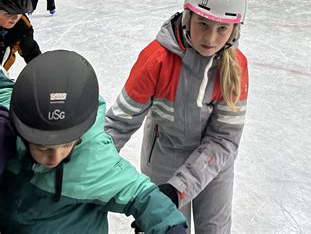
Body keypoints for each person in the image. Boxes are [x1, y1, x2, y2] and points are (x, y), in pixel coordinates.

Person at [105, 0, 249, 234]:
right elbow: (118, 124)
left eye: (222, 29)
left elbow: (224, 140)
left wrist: (179, 189)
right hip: (163, 161)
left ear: (234, 30)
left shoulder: (236, 67)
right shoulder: (155, 60)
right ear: (188, 16)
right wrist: (83, 168)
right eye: (203, 23)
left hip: (213, 165)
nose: (210, 38)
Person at [0, 50, 187, 233]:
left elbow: (142, 195)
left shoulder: (93, 159)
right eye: (41, 146)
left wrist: (172, 227)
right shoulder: (10, 124)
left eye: (66, 144)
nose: (54, 157)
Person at [0, 0, 40, 73]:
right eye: (8, 13)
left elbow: (32, 55)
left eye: (19, 13)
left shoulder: (21, 27)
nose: (15, 18)